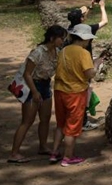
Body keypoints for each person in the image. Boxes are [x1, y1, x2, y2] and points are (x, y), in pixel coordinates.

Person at [8, 25, 68, 163]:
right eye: (61, 38)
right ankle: (14, 153)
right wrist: (35, 92)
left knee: (45, 118)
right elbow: (27, 74)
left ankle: (43, 146)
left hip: (45, 85)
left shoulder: (57, 52)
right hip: (33, 86)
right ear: (52, 38)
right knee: (27, 121)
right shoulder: (38, 52)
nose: (62, 41)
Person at [50, 24, 103, 167]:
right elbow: (89, 74)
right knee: (72, 127)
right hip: (75, 92)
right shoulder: (83, 53)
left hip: (59, 90)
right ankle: (68, 157)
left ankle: (54, 152)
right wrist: (96, 64)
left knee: (61, 124)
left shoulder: (63, 50)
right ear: (85, 39)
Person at [67, 0, 108, 131]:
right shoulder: (88, 29)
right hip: (85, 64)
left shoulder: (70, 30)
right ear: (82, 19)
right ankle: (83, 121)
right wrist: (102, 7)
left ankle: (73, 117)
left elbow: (80, 20)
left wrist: (89, 8)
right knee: (84, 91)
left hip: (71, 66)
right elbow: (105, 21)